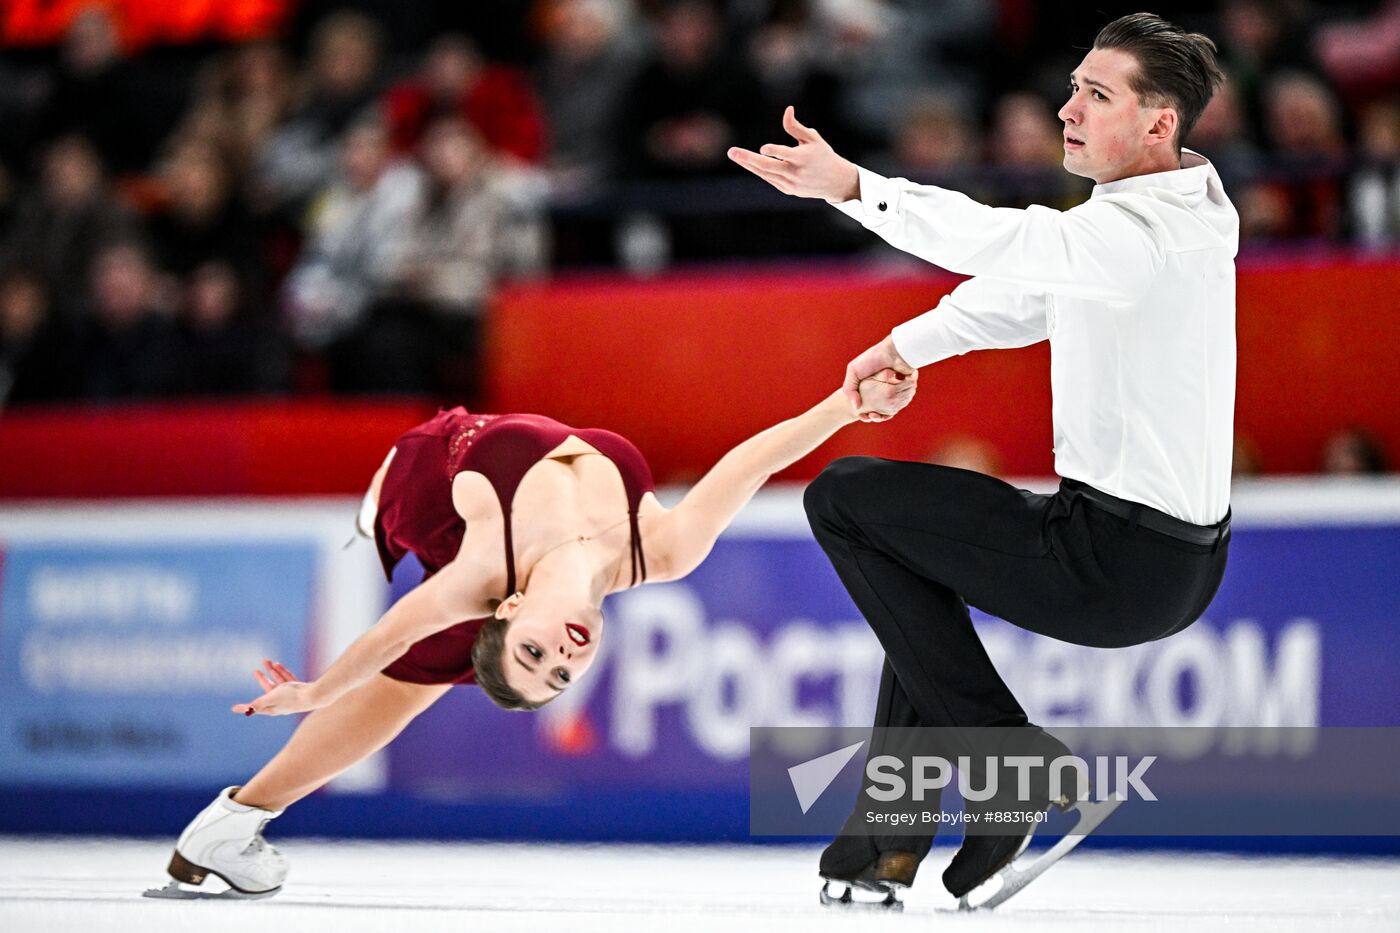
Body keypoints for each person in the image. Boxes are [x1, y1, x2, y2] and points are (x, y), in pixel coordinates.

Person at [729, 12, 1235, 908]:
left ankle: (1013, 762)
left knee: (847, 496)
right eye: (1074, 84)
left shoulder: (1139, 236)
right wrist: (908, 344)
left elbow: (1004, 242)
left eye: (1097, 93)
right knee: (911, 558)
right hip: (1165, 555)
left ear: (1160, 123)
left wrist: (853, 185)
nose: (1067, 107)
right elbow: (1032, 292)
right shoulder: (1180, 208)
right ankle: (883, 845)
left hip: (1116, 557)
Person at [149, 374, 917, 899]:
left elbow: (386, 631)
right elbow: (748, 466)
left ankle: (231, 823)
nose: (565, 653)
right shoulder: (663, 551)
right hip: (468, 497)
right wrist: (844, 406)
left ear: (508, 608)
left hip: (427, 487)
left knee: (419, 660)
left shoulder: (482, 569)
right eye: (561, 673)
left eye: (536, 653)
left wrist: (313, 690)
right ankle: (231, 825)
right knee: (424, 673)